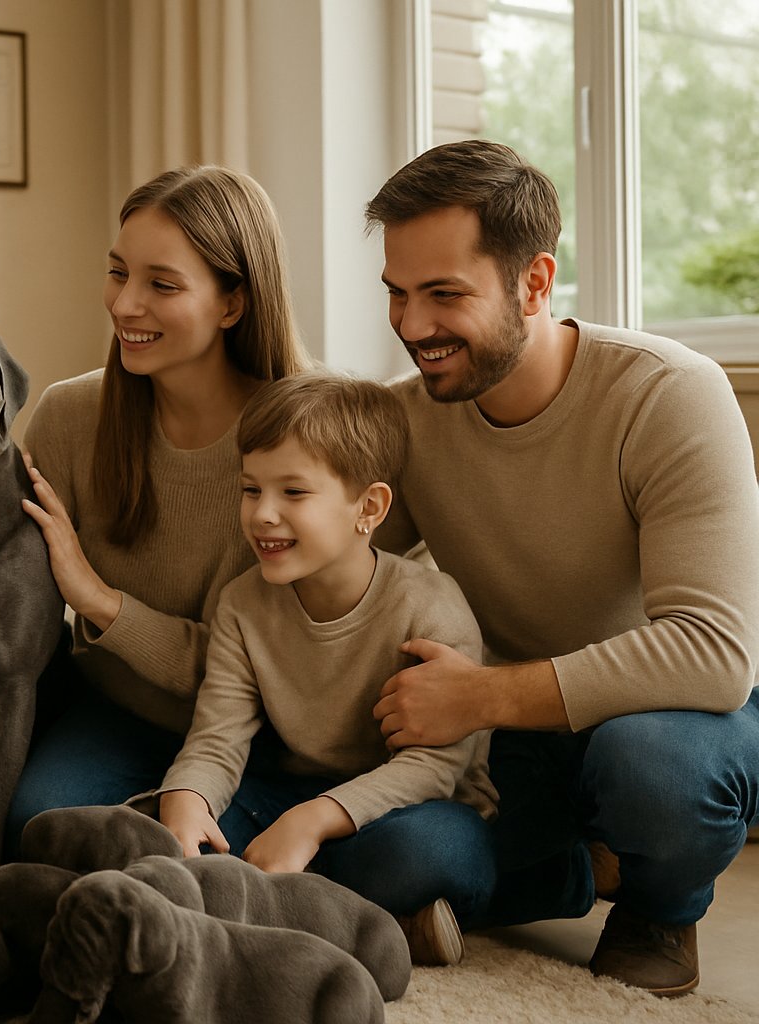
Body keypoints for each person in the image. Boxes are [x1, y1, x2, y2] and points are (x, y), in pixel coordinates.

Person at [365, 139, 759, 996]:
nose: (412, 326)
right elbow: (328, 568)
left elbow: (714, 654)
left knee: (655, 771)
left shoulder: (670, 393)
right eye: (397, 293)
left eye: (444, 295)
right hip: (515, 745)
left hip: (671, 720)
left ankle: (661, 902)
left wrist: (481, 694)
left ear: (536, 283)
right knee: (394, 857)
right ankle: (588, 871)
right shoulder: (407, 419)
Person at [10, 165, 311, 841]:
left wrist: (98, 601)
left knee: (409, 856)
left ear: (232, 302)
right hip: (123, 711)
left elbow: (276, 673)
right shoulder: (70, 415)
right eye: (119, 273)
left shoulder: (309, 435)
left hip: (261, 727)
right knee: (40, 824)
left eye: (161, 285)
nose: (123, 305)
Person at [152, 373, 495, 967]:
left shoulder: (431, 604)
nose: (263, 515)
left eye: (294, 493)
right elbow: (218, 738)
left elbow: (434, 769)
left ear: (369, 507)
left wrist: (313, 821)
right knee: (161, 830)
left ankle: (286, 905)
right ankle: (363, 921)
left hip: (411, 807)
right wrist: (187, 796)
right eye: (251, 489)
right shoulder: (242, 603)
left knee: (428, 852)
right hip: (291, 792)